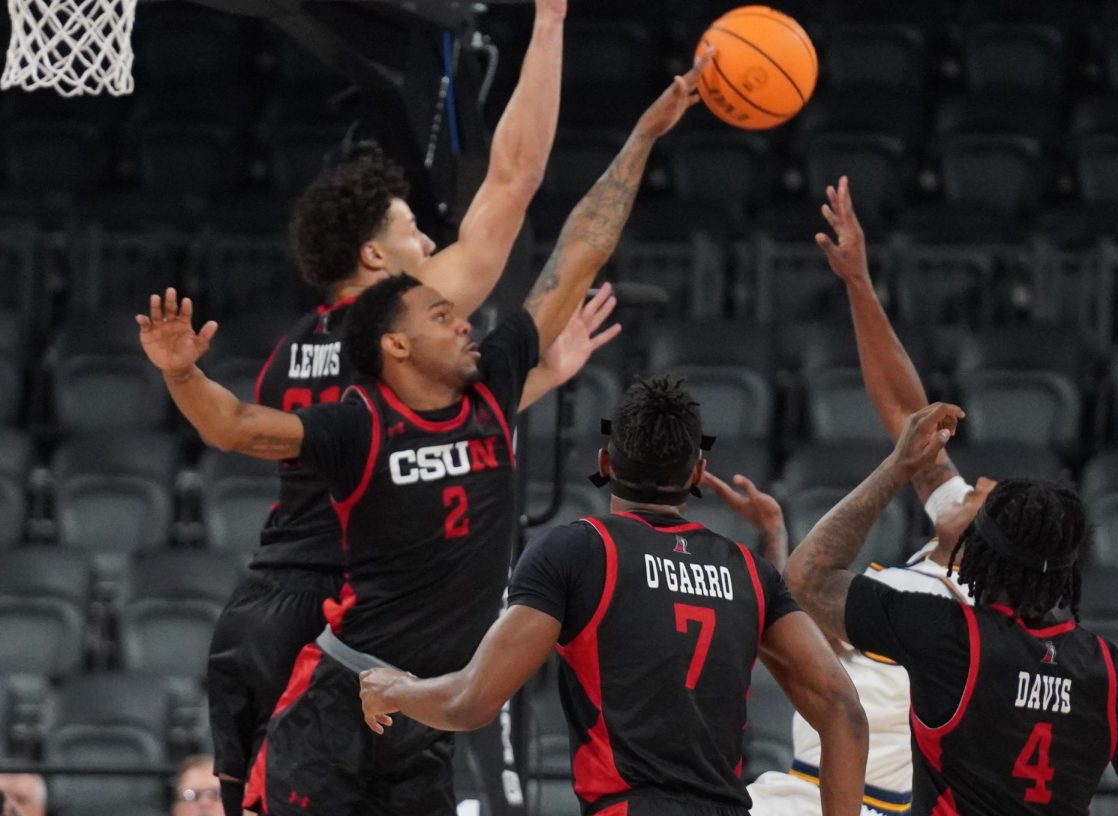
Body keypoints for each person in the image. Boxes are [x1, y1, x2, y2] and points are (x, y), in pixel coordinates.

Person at [137, 57, 707, 816]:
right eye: (441, 312)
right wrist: (180, 374)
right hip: (334, 659)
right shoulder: (359, 417)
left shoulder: (419, 374)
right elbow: (238, 427)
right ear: (396, 341)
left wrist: (641, 136)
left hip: (401, 690)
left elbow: (577, 256)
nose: (460, 307)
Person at [203, 0, 571, 812]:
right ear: (375, 258)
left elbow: (383, 434)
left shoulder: (283, 356)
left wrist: (533, 381)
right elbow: (514, 181)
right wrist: (548, 23)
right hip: (345, 629)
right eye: (413, 234)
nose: (431, 250)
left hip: (261, 606)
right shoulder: (398, 327)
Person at [359, 376, 868, 816]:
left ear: (605, 461)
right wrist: (774, 537)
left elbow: (472, 702)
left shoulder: (577, 551)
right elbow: (843, 710)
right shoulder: (750, 572)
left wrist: (396, 689)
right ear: (695, 474)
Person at [731, 177, 999, 815]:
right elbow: (914, 418)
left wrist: (785, 563)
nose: (974, 482)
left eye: (987, 492)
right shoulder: (943, 557)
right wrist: (858, 284)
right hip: (793, 786)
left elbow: (814, 604)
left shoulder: (981, 606)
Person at [784, 401, 1118, 816]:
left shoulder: (950, 636)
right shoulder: (1107, 667)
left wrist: (896, 467)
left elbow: (807, 578)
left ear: (977, 553)